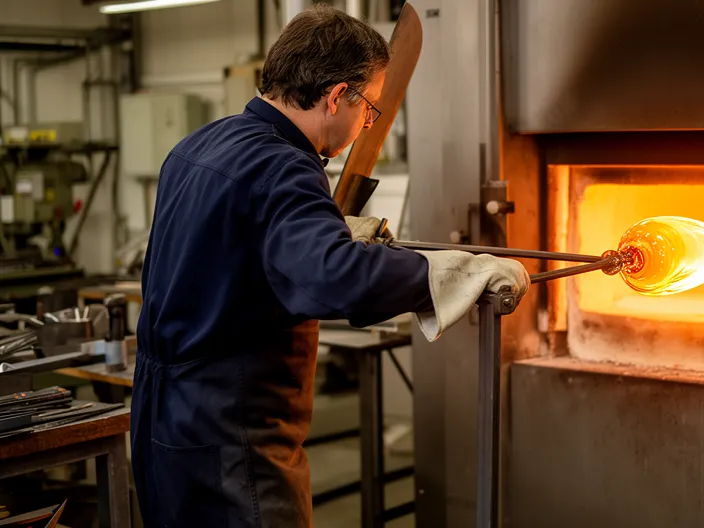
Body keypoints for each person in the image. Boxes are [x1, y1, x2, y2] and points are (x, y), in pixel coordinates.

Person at [129, 5, 528, 527]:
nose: (367, 122)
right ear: (338, 95)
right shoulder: (284, 166)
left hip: (163, 421)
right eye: (370, 108)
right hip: (233, 438)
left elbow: (246, 250)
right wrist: (448, 272)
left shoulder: (201, 143)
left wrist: (325, 233)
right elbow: (337, 279)